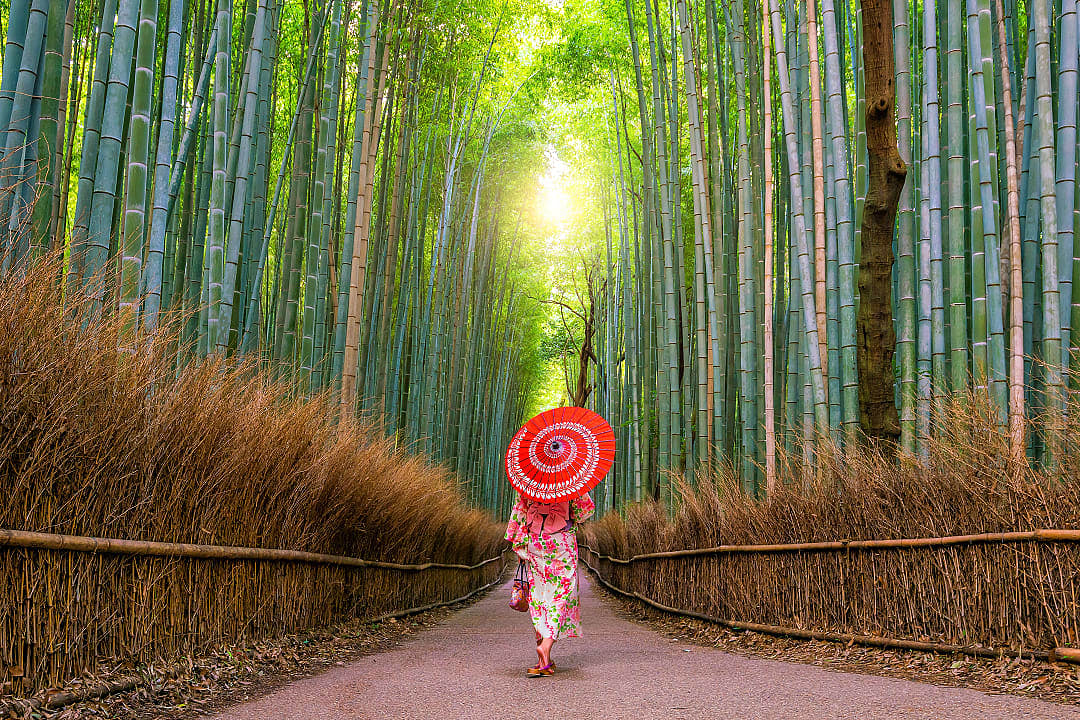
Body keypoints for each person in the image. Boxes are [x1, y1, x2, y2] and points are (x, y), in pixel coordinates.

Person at [504, 491, 595, 677]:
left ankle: (543, 661)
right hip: (562, 540)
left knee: (538, 595)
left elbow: (519, 512)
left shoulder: (529, 480)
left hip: (535, 540)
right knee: (562, 593)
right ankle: (546, 645)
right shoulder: (569, 479)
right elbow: (583, 512)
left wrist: (520, 545)